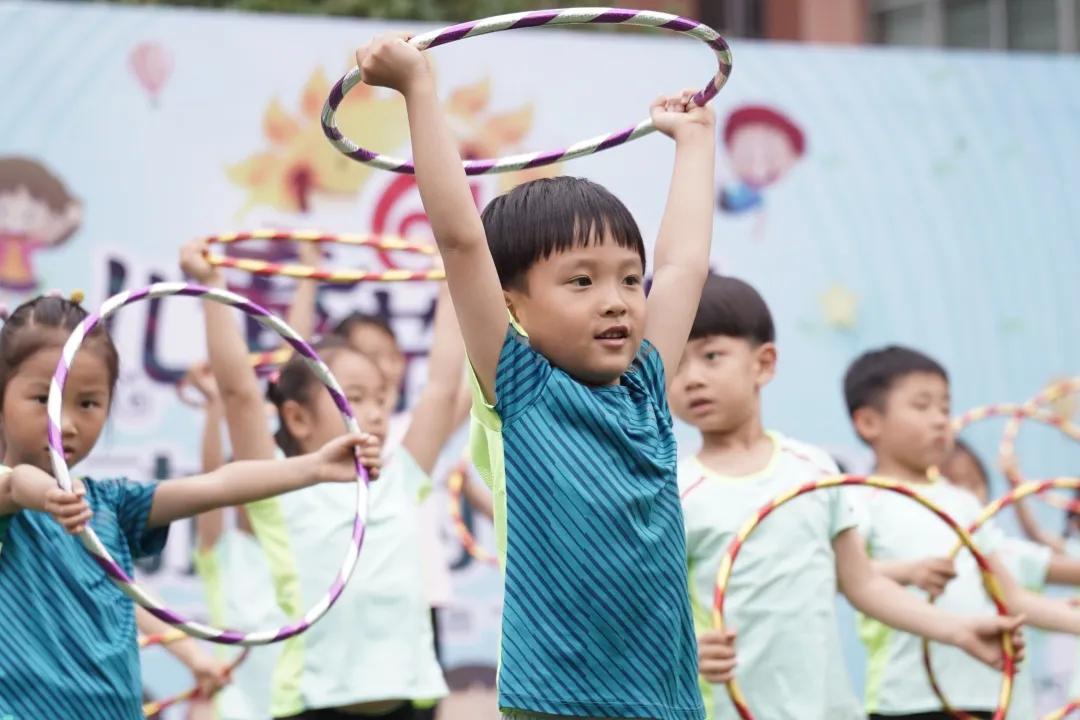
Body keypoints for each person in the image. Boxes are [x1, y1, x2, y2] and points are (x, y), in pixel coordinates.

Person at [357, 30, 716, 720]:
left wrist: (694, 141)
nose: (616, 299)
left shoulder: (644, 386)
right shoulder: (521, 390)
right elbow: (461, 239)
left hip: (667, 699)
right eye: (580, 281)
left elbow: (682, 266)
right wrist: (418, 90)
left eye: (627, 281)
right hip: (560, 699)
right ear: (513, 304)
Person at [0, 293, 379, 719]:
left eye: (88, 403)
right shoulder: (12, 498)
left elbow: (217, 484)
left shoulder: (110, 505)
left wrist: (314, 466)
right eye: (42, 400)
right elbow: (16, 487)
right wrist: (47, 497)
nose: (65, 423)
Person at [672, 275, 1024, 720]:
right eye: (675, 363)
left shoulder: (815, 469)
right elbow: (648, 612)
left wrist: (957, 630)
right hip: (725, 709)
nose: (692, 379)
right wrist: (682, 654)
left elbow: (863, 583)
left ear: (763, 363)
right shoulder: (674, 492)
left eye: (711, 356)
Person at [182, 236, 458, 720]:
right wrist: (211, 285)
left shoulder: (400, 478)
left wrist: (455, 272)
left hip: (409, 705)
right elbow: (241, 395)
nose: (372, 412)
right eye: (353, 396)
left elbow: (441, 386)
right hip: (313, 707)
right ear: (298, 419)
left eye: (379, 397)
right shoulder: (277, 492)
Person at [844, 345, 1080, 719]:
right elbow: (848, 576)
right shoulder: (859, 500)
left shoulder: (964, 503)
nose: (940, 419)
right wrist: (908, 572)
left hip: (983, 697)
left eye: (944, 407)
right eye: (922, 406)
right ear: (869, 423)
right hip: (906, 702)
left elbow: (1012, 596)